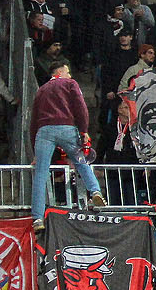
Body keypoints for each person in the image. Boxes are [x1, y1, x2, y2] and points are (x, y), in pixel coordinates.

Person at [30, 60, 104, 228]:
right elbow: (80, 106)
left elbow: (33, 121)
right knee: (81, 161)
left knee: (41, 174)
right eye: (68, 71)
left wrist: (34, 150)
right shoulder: (70, 83)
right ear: (60, 72)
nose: (70, 75)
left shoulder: (41, 90)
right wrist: (84, 129)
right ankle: (95, 191)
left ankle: (37, 218)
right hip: (67, 128)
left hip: (44, 131)